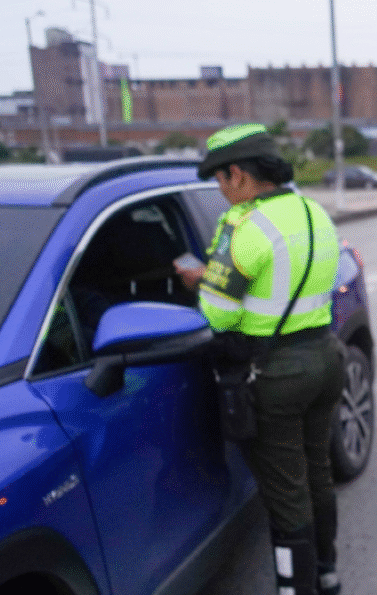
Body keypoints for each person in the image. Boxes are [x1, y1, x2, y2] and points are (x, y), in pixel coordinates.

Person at [175, 123, 344, 595]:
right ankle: (326, 576)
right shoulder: (315, 212)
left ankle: (297, 589)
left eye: (221, 181)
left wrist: (201, 281)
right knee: (317, 474)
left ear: (238, 175)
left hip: (275, 374)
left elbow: (219, 315)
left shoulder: (245, 228)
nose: (222, 192)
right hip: (325, 359)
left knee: (287, 495)